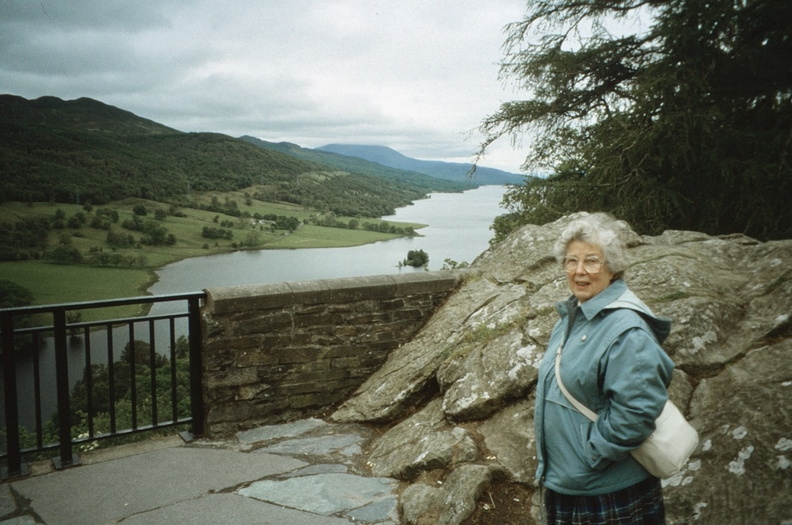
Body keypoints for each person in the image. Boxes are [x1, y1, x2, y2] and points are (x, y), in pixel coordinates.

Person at [534, 212, 674, 524]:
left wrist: (592, 456)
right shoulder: (575, 315)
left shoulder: (627, 330)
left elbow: (637, 411)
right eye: (571, 261)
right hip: (572, 484)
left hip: (606, 493)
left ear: (612, 266)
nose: (579, 271)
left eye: (591, 261)